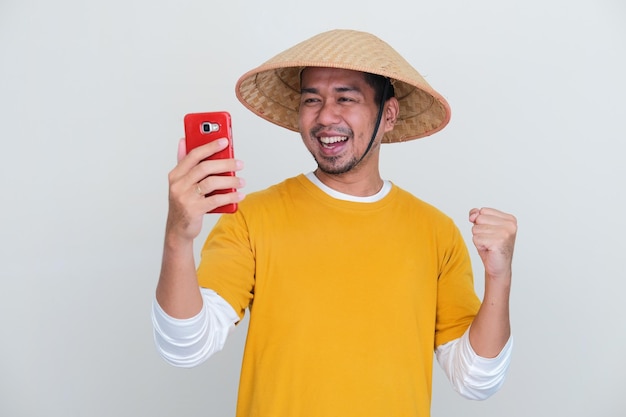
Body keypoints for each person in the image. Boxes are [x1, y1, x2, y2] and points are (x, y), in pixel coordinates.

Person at [152, 29, 517, 417]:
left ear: (388, 114)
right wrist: (178, 237)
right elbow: (186, 347)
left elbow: (475, 380)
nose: (326, 116)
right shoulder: (252, 218)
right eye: (312, 99)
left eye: (346, 98)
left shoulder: (435, 232)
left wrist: (500, 276)